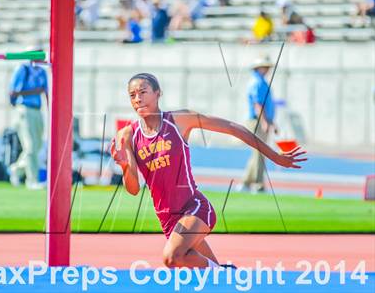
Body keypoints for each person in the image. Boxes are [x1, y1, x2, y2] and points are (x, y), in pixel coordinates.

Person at [110, 73, 307, 268]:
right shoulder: (128, 135)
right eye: (132, 95)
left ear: (157, 93)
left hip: (194, 208)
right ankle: (223, 273)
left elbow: (234, 128)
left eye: (143, 92)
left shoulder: (179, 120)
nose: (137, 99)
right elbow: (134, 189)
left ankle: (221, 272)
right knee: (211, 277)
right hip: (168, 219)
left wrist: (276, 157)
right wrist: (125, 165)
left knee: (171, 257)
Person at [8, 47, 48, 190]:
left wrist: (52, 111)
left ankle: (16, 169)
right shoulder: (23, 69)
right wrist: (34, 91)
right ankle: (32, 180)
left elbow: (47, 92)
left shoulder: (43, 71)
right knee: (30, 146)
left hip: (38, 110)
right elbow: (13, 92)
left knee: (36, 147)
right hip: (24, 109)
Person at [237, 56, 277, 193]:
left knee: (258, 152)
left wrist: (271, 122)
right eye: (264, 67)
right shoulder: (257, 82)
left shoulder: (261, 82)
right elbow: (258, 104)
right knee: (261, 152)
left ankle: (247, 182)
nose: (267, 70)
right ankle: (258, 183)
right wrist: (265, 121)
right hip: (257, 121)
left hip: (260, 120)